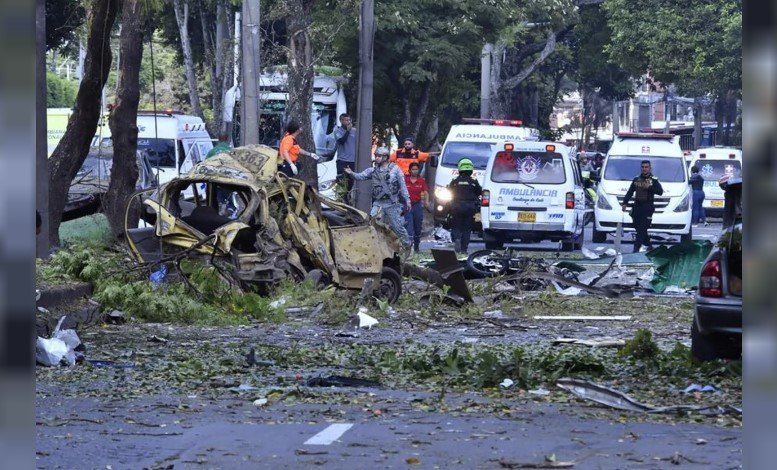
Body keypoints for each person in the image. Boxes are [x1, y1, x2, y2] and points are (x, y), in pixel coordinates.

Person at [345, 147, 412, 249]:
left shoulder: (395, 169)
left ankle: (407, 246)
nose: (376, 158)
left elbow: (403, 186)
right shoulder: (372, 170)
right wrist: (351, 173)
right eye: (376, 156)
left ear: (385, 157)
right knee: (371, 223)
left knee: (397, 227)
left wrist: (407, 199)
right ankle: (375, 248)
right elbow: (360, 176)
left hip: (392, 203)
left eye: (379, 156)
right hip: (378, 203)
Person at [621, 160, 664, 253]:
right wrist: (624, 203)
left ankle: (636, 249)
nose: (644, 169)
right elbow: (630, 192)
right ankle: (649, 245)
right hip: (637, 207)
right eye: (643, 167)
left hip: (647, 208)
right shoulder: (636, 179)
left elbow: (660, 192)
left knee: (642, 228)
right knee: (638, 227)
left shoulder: (654, 180)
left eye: (646, 167)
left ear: (650, 168)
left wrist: (649, 187)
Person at [447, 158, 482, 254]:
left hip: (456, 206)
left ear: (460, 169)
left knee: (456, 226)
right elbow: (479, 192)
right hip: (470, 207)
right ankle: (464, 249)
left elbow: (449, 191)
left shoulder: (454, 181)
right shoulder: (474, 182)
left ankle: (457, 238)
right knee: (467, 228)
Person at [403, 162, 430, 252]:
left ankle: (417, 247)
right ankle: (408, 248)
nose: (415, 171)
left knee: (418, 227)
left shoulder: (421, 181)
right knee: (409, 227)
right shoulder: (405, 180)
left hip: (417, 206)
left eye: (416, 169)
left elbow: (426, 192)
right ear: (410, 170)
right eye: (413, 169)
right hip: (407, 206)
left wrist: (426, 202)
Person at [332, 113, 357, 202]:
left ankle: (348, 201)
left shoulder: (355, 131)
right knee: (342, 183)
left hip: (352, 161)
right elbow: (341, 141)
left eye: (349, 120)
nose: (348, 122)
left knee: (350, 183)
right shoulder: (337, 131)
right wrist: (348, 131)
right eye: (346, 120)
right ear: (341, 121)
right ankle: (342, 201)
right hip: (342, 161)